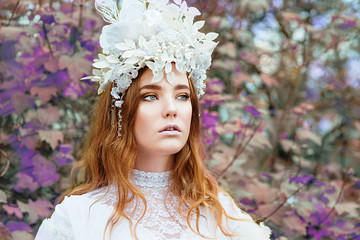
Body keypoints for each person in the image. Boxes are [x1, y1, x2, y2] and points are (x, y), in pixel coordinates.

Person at [35, 0, 271, 239]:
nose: (171, 109)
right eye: (150, 96)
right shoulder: (78, 218)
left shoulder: (222, 215)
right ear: (120, 111)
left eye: (182, 96)